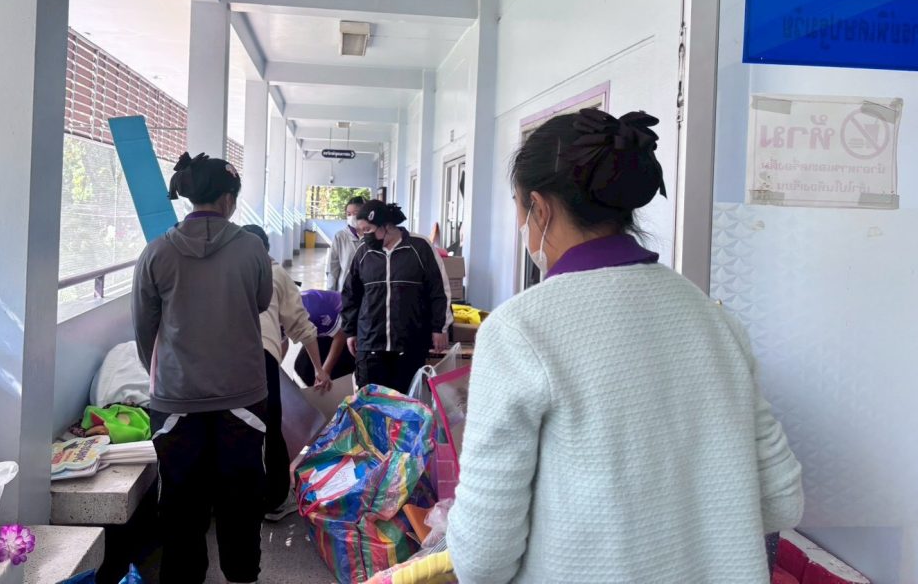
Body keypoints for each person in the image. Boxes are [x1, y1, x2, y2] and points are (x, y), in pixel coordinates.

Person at [446, 109, 804, 584]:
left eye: (518, 208)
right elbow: (782, 499)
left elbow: (482, 557)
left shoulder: (520, 331)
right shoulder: (715, 321)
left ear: (539, 208)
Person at [132, 152, 272, 584]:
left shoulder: (156, 252)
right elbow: (261, 301)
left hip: (176, 400)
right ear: (228, 199)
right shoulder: (252, 248)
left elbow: (144, 328)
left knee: (180, 502)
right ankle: (242, 576)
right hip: (242, 396)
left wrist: (165, 376)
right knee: (241, 497)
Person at [240, 225, 331, 523]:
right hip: (260, 357)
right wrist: (319, 369)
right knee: (270, 425)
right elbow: (302, 327)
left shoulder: (227, 270)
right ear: (265, 249)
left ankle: (233, 496)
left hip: (223, 358)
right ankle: (276, 500)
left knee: (231, 424)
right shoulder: (275, 273)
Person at [341, 200, 451, 393]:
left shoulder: (419, 246)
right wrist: (350, 332)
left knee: (405, 403)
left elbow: (439, 289)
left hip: (409, 342)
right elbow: (351, 294)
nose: (364, 236)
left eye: (368, 230)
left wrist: (439, 328)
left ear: (386, 225)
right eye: (361, 231)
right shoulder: (363, 252)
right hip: (370, 342)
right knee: (370, 403)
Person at [293, 289, 356, 386]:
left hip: (345, 325)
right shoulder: (279, 313)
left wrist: (325, 371)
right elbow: (282, 342)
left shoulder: (312, 308)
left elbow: (340, 336)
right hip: (322, 328)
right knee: (303, 367)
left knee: (329, 374)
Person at [325, 196, 366, 291]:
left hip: (367, 289)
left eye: (355, 213)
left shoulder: (373, 236)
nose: (352, 217)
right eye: (349, 214)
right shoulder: (340, 236)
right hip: (346, 288)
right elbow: (333, 268)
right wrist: (331, 291)